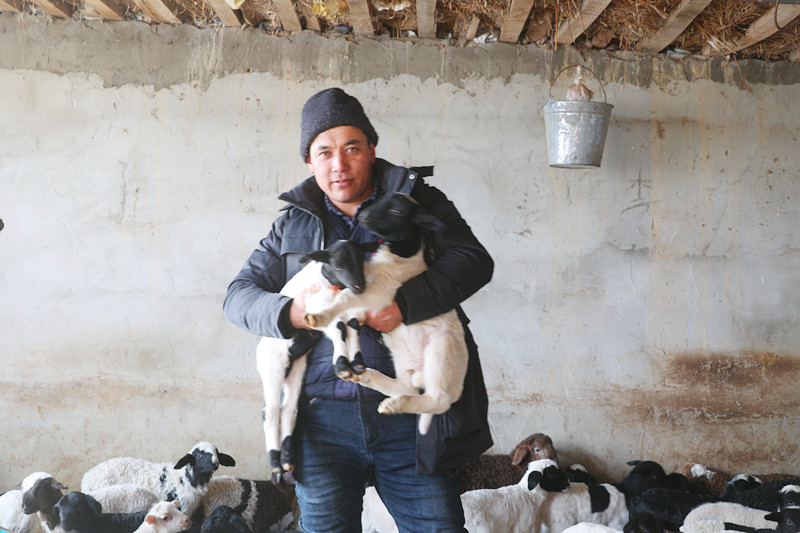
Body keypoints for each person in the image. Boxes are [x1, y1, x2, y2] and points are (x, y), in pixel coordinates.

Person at [223, 87, 493, 533]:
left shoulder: (416, 202)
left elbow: (473, 260)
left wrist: (404, 306)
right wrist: (293, 312)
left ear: (371, 149)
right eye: (324, 152)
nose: (339, 164)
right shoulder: (292, 223)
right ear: (309, 161)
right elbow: (238, 296)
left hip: (406, 409)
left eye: (351, 148)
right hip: (321, 418)